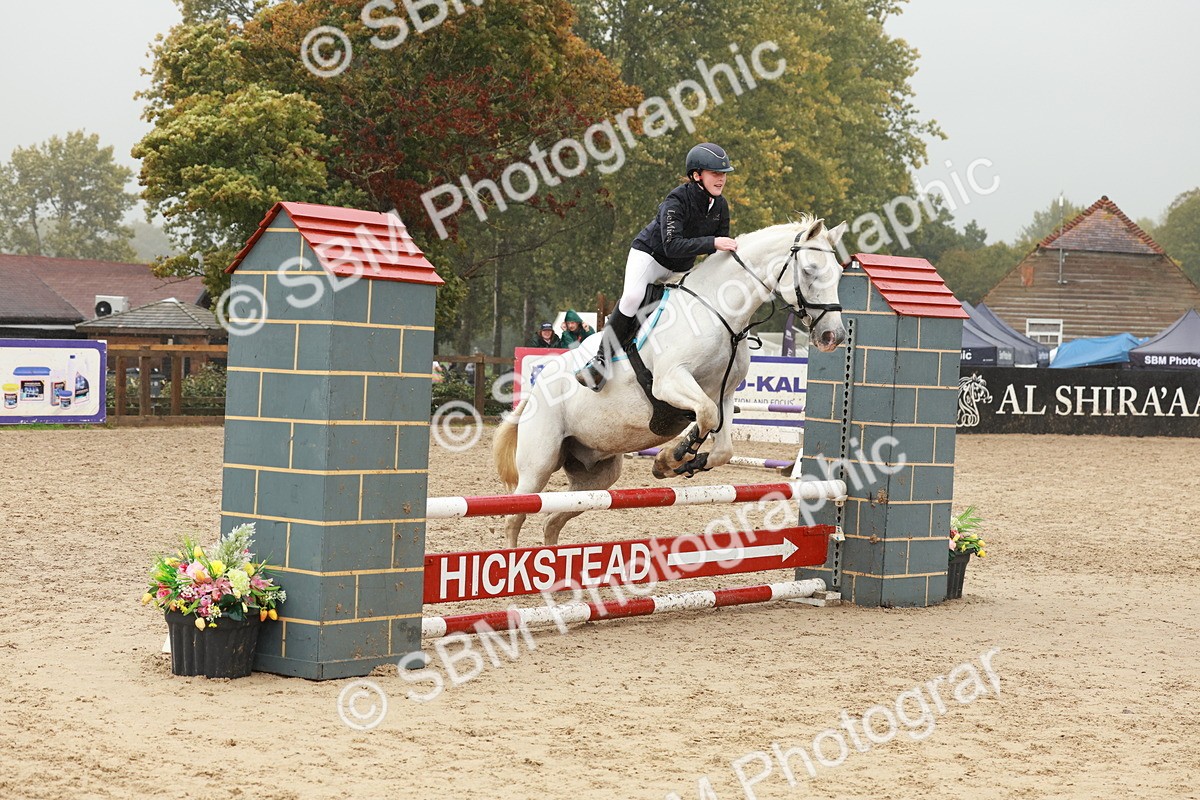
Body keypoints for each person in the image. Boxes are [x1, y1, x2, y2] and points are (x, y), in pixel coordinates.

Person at [577, 143, 738, 389]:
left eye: (723, 173)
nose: (721, 179)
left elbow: (718, 250)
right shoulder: (676, 200)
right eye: (715, 173)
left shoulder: (720, 206)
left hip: (681, 267)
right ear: (696, 175)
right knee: (632, 297)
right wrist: (713, 241)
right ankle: (600, 361)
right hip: (651, 257)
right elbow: (673, 244)